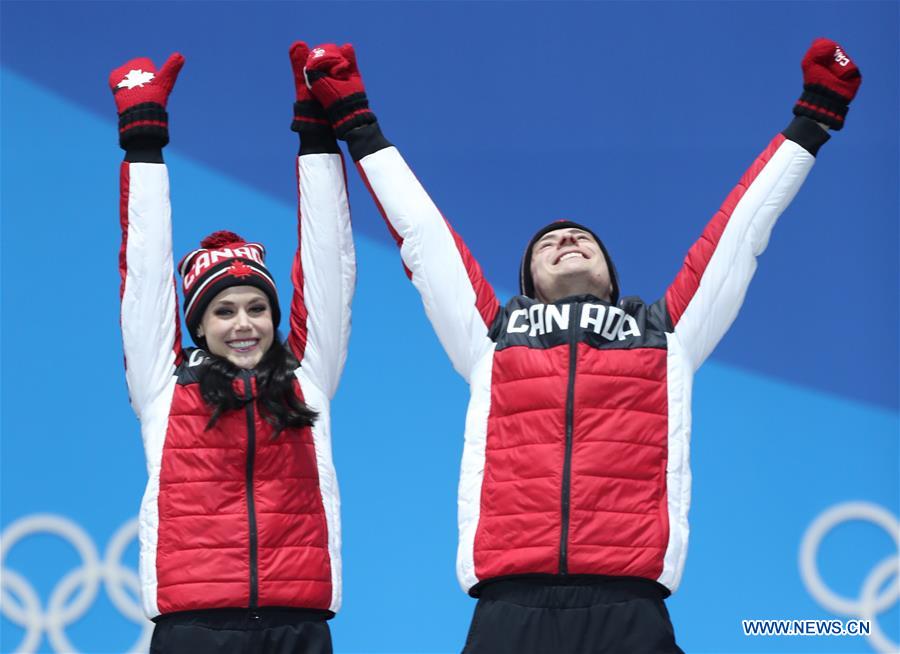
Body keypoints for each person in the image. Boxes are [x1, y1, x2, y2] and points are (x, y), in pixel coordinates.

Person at [300, 38, 861, 653]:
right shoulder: (492, 336)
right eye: (547, 243)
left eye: (580, 238)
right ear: (528, 283)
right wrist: (358, 124)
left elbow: (742, 229)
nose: (565, 239)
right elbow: (422, 236)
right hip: (509, 605)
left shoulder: (666, 334)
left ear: (612, 275)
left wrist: (812, 118)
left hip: (630, 605)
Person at [111, 42, 355, 653]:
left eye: (256, 308)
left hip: (298, 628)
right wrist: (144, 146)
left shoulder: (307, 379)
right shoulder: (165, 388)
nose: (243, 324)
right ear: (198, 325)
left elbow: (328, 266)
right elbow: (144, 276)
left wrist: (318, 136)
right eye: (223, 311)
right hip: (192, 631)